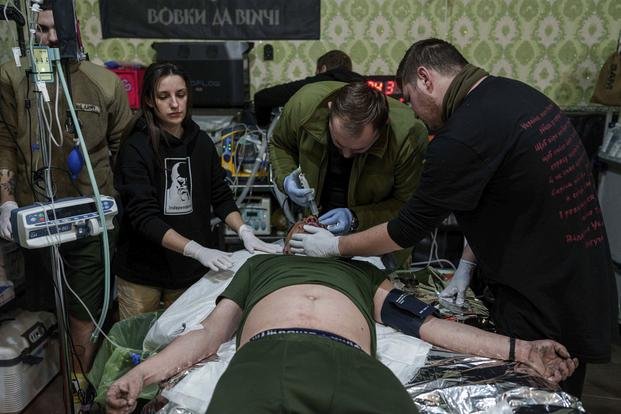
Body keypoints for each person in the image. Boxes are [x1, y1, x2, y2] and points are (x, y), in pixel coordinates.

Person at [289, 38, 618, 398]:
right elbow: (501, 199)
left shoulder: (462, 136)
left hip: (542, 296)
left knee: (540, 396)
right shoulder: (513, 96)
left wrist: (336, 246)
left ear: (425, 78)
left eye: (411, 98)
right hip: (581, 280)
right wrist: (466, 264)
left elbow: (406, 228)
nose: (413, 111)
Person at [106, 253, 577, 414]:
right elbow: (206, 339)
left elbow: (431, 327)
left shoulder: (361, 274)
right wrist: (142, 375)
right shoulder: (259, 266)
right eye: (304, 221)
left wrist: (523, 350)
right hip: (269, 357)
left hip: (353, 363)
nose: (312, 222)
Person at [0, 3, 133, 378]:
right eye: (42, 29)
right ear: (31, 33)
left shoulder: (103, 82)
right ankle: (66, 375)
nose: (52, 37)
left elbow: (123, 146)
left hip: (92, 215)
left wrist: (121, 206)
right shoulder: (13, 77)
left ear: (77, 31)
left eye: (60, 30)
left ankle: (78, 385)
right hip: (36, 212)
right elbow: (5, 141)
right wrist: (7, 203)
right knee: (49, 305)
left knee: (84, 309)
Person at [113, 62, 281, 321]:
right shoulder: (136, 148)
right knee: (135, 350)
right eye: (163, 96)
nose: (174, 104)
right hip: (142, 275)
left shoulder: (200, 142)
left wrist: (244, 231)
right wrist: (197, 249)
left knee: (183, 347)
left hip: (188, 274)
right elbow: (144, 218)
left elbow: (221, 196)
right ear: (148, 100)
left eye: (180, 95)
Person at [269, 80, 428, 266]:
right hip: (318, 232)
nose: (346, 155)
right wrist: (287, 178)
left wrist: (355, 218)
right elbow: (280, 144)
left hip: (376, 239)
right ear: (330, 110)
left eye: (359, 149)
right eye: (338, 143)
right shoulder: (304, 107)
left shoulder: (408, 137)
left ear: (382, 128)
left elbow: (407, 207)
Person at [253, 50, 365, 127]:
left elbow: (262, 98)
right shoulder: (363, 85)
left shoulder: (316, 83)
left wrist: (263, 127)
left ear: (323, 69)